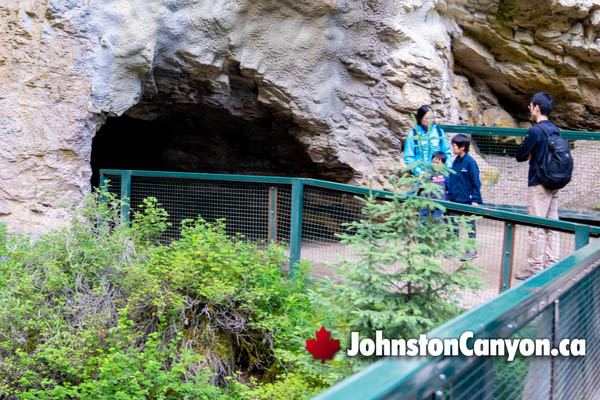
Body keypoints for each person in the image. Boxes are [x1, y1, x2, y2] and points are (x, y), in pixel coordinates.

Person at [514, 92, 561, 280]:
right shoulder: (555, 130)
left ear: (537, 108)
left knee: (536, 226)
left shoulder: (534, 131)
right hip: (554, 183)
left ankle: (535, 270)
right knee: (553, 225)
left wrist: (531, 153)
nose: (529, 109)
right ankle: (552, 265)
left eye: (530, 106)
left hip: (539, 184)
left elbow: (519, 155)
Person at [447, 134, 482, 259]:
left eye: (454, 146)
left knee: (469, 225)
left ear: (462, 147)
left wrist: (475, 199)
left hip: (467, 200)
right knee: (452, 224)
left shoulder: (470, 162)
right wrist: (449, 197)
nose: (452, 148)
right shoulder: (455, 162)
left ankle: (472, 250)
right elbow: (452, 180)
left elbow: (476, 182)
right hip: (454, 199)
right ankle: (454, 247)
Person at [403, 105, 452, 176]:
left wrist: (445, 168)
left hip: (439, 174)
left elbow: (447, 152)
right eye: (427, 118)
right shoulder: (414, 134)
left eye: (432, 118)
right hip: (420, 176)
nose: (430, 121)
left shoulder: (439, 132)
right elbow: (409, 157)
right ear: (420, 118)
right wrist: (418, 172)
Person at [418, 151, 448, 219]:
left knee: (436, 221)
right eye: (433, 163)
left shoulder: (446, 176)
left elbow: (450, 190)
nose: (434, 165)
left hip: (439, 206)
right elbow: (420, 189)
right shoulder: (428, 175)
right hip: (426, 205)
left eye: (437, 163)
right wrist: (420, 180)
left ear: (444, 164)